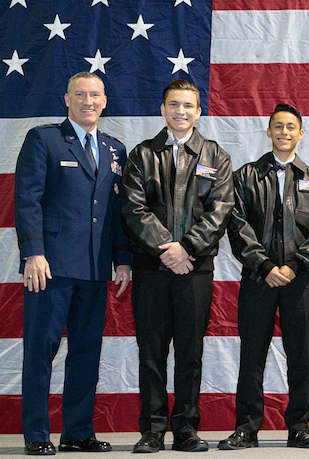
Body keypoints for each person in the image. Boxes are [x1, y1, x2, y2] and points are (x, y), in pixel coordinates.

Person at [15, 72, 132, 456]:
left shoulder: (115, 149)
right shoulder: (44, 139)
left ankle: (77, 431)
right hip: (50, 267)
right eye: (80, 94)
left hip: (96, 268)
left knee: (86, 352)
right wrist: (33, 252)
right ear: (66, 99)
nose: (88, 101)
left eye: (95, 95)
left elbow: (117, 212)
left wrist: (123, 260)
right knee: (40, 350)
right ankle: (36, 433)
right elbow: (27, 199)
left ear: (105, 102)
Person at [121, 79, 234, 453]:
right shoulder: (141, 155)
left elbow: (219, 212)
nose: (180, 111)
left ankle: (186, 427)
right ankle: (152, 429)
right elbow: (133, 209)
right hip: (151, 270)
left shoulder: (216, 156)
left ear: (198, 111)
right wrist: (166, 250)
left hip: (195, 270)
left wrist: (185, 248)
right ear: (163, 108)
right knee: (151, 352)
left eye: (188, 105)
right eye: (174, 104)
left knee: (190, 351)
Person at [220, 104, 309, 450]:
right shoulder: (246, 176)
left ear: (301, 134)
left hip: (299, 282)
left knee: (299, 354)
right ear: (268, 132)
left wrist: (294, 266)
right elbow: (237, 225)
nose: (285, 132)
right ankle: (247, 427)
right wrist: (266, 267)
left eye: (291, 127)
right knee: (252, 355)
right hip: (259, 280)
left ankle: (299, 426)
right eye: (278, 127)